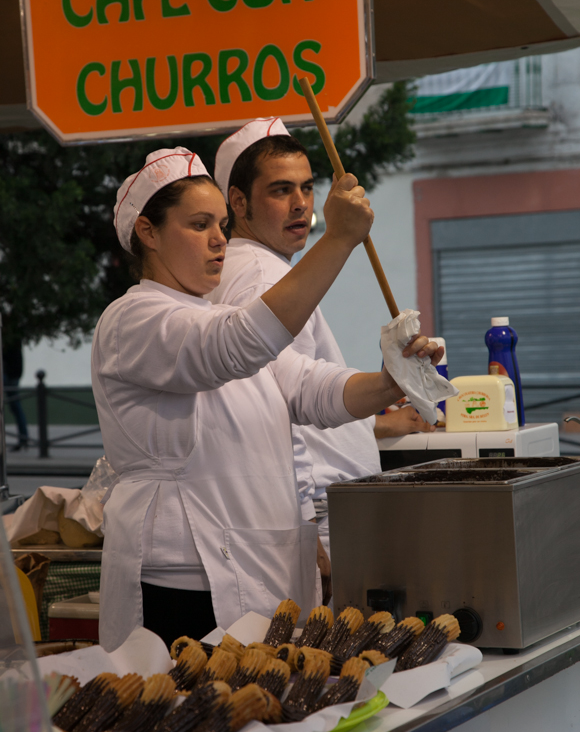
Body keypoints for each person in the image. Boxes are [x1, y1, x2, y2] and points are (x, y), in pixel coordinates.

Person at [92, 147, 441, 652]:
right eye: (198, 225)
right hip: (184, 579)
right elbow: (235, 346)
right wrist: (339, 238)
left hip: (260, 568)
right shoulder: (134, 319)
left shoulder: (214, 317)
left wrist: (390, 381)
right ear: (148, 233)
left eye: (221, 223)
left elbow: (308, 388)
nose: (218, 239)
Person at [209, 118, 433, 595]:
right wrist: (305, 524)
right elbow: (275, 413)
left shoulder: (265, 267)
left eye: (308, 188)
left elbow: (303, 386)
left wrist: (387, 389)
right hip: (316, 519)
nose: (300, 204)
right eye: (280, 190)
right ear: (238, 202)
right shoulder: (257, 273)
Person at [2, 337, 29, 452]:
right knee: (15, 407)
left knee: (15, 406)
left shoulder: (11, 336)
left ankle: (23, 438)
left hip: (10, 374)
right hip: (12, 374)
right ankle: (24, 438)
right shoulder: (14, 335)